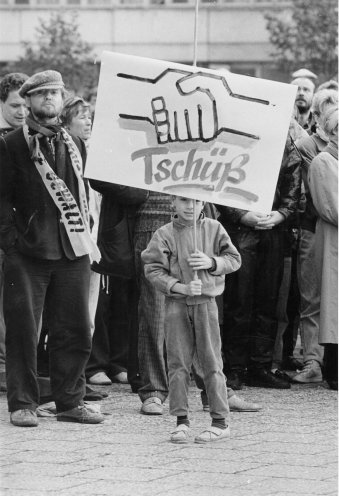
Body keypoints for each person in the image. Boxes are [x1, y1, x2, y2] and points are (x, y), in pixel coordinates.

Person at [0, 70, 104, 427]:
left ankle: (70, 402)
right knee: (24, 331)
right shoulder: (11, 144)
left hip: (72, 250)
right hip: (28, 253)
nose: (48, 99)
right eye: (41, 94)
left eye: (54, 94)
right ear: (28, 100)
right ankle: (23, 403)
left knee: (74, 328)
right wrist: (11, 242)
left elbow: (85, 194)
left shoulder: (75, 144)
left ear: (62, 100)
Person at [142, 196, 241, 443]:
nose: (190, 206)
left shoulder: (214, 228)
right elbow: (152, 269)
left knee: (211, 362)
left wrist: (212, 262)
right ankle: (181, 420)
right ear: (172, 202)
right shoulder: (163, 233)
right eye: (184, 200)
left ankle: (220, 421)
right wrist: (178, 286)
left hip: (206, 305)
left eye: (197, 201)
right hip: (176, 304)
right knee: (177, 363)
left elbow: (234, 259)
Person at [219, 132, 302, 390]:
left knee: (268, 299)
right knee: (238, 300)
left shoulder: (285, 141)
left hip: (272, 230)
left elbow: (293, 184)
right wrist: (240, 215)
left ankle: (259, 365)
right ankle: (233, 367)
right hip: (240, 230)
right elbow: (217, 179)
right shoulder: (232, 133)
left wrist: (280, 214)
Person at [293, 89, 338, 383]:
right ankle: (319, 364)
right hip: (327, 240)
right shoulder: (321, 158)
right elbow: (330, 208)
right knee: (321, 302)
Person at [0, 72, 28, 392]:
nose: (21, 111)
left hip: (24, 235)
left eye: (25, 104)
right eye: (14, 104)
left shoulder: (32, 137)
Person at [308, 104, 338, 390]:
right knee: (333, 305)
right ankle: (333, 370)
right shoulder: (324, 162)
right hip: (334, 241)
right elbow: (331, 208)